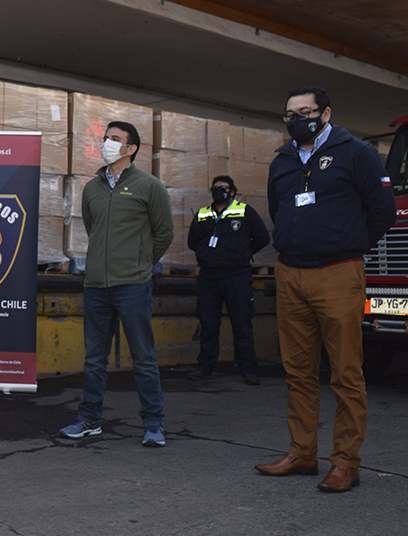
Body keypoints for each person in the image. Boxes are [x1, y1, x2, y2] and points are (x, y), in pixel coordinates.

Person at [255, 86, 395, 492]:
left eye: (306, 111)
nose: (297, 119)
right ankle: (302, 453)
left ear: (326, 113)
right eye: (290, 113)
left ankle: (346, 462)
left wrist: (348, 243)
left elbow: (382, 210)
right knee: (298, 372)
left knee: (346, 372)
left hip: (338, 272)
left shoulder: (357, 153)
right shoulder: (281, 161)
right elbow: (278, 210)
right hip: (290, 274)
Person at [59, 121, 174, 447]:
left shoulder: (149, 186)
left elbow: (164, 232)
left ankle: (153, 423)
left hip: (132, 285)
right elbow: (94, 229)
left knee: (143, 358)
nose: (106, 143)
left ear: (131, 148)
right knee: (94, 359)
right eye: (105, 137)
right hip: (96, 285)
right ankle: (89, 419)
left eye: (115, 139)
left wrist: (140, 265)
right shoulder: (92, 188)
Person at [186, 175, 270, 385]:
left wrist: (243, 253)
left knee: (242, 324)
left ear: (232, 191)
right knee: (208, 325)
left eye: (224, 188)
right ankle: (205, 367)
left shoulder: (245, 211)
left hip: (237, 276)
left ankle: (247, 369)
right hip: (209, 277)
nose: (219, 191)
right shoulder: (203, 214)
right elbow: (192, 241)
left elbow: (263, 237)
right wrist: (207, 254)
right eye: (215, 188)